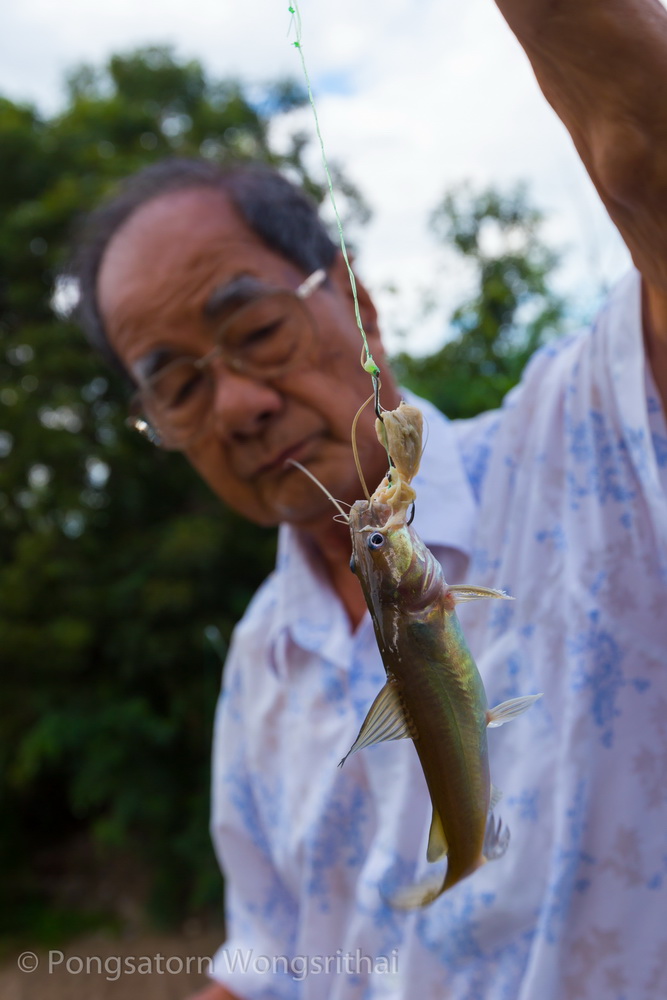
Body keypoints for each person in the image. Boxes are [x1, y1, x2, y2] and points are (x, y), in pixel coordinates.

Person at [72, 1, 667, 997]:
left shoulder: (593, 439)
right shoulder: (260, 656)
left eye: (256, 329)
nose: (240, 406)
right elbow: (268, 957)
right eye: (177, 385)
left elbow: (644, 158)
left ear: (358, 300)